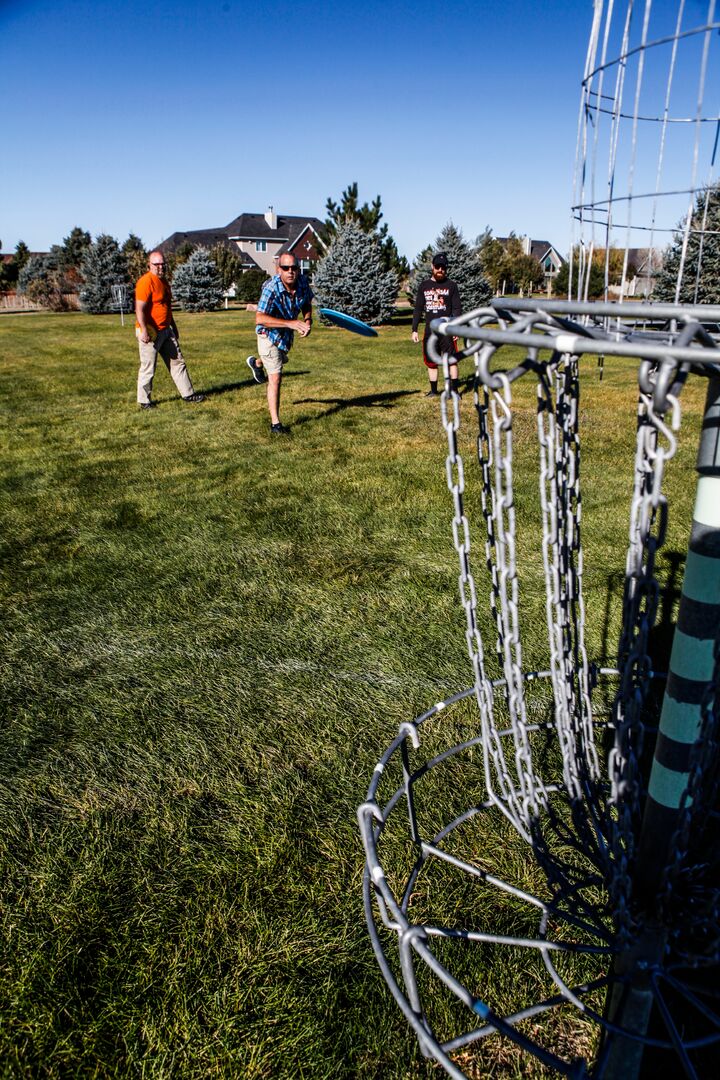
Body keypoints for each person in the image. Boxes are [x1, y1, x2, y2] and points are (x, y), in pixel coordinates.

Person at [246, 253, 312, 434]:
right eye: (286, 268)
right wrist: (290, 323)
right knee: (275, 376)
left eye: (294, 268)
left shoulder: (303, 283)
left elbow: (307, 303)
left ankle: (256, 363)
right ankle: (275, 424)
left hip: (284, 337)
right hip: (267, 334)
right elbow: (259, 318)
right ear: (279, 269)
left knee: (276, 361)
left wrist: (308, 320)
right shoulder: (271, 288)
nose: (291, 272)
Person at [134, 251, 205, 409]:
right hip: (150, 332)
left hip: (166, 330)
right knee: (148, 367)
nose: (160, 267)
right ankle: (144, 401)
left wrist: (174, 327)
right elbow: (140, 309)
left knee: (178, 362)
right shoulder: (146, 282)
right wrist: (144, 330)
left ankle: (188, 394)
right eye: (156, 264)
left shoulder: (164, 282)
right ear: (149, 265)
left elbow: (166, 307)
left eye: (162, 264)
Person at [411, 252, 462, 396]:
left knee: (451, 360)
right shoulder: (424, 285)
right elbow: (418, 308)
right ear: (432, 267)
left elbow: (457, 308)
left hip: (447, 331)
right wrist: (414, 329)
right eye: (438, 267)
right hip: (430, 332)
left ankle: (455, 391)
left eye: (443, 268)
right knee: (431, 361)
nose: (441, 270)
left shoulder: (452, 286)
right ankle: (433, 391)